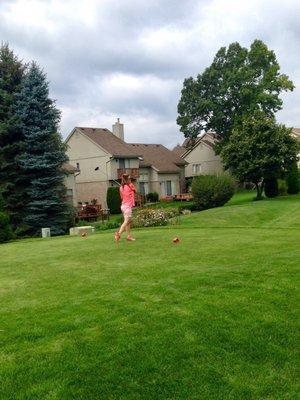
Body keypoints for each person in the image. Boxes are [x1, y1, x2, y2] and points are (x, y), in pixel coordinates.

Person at [114, 174, 136, 242]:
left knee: (128, 222)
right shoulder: (130, 185)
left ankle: (128, 236)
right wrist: (129, 187)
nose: (130, 180)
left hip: (123, 206)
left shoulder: (121, 187)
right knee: (127, 221)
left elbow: (121, 197)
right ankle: (118, 234)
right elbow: (135, 191)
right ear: (127, 179)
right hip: (127, 207)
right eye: (129, 179)